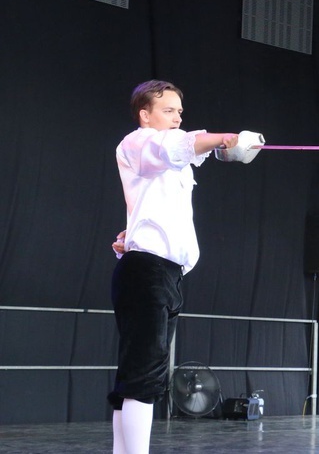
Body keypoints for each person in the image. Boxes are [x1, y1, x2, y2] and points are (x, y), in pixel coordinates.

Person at [108, 80, 244, 454]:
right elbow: (180, 145)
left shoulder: (172, 162)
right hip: (147, 271)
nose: (177, 117)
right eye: (169, 110)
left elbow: (182, 158)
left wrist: (226, 146)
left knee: (139, 376)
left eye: (180, 111)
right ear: (145, 115)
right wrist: (224, 138)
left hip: (163, 272)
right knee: (144, 378)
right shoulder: (138, 141)